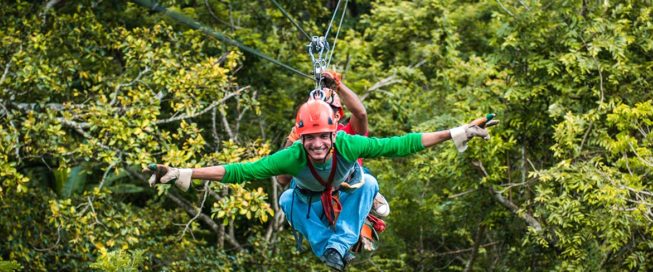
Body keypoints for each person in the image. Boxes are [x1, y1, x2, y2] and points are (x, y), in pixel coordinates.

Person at [146, 100, 497, 271]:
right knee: (285, 199)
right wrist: (183, 173)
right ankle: (332, 248)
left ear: (334, 134)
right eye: (310, 138)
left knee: (368, 181)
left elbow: (400, 144)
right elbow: (242, 171)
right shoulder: (292, 156)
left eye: (322, 138)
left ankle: (343, 242)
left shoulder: (349, 144)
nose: (316, 145)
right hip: (308, 200)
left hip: (343, 192)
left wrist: (457, 132)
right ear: (302, 138)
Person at [277, 71, 390, 253]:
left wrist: (338, 86)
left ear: (337, 115)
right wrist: (294, 137)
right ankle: (329, 249)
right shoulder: (302, 144)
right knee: (287, 198)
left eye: (328, 112)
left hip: (347, 196)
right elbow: (282, 179)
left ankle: (368, 199)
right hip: (317, 203)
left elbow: (360, 114)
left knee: (364, 177)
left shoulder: (349, 136)